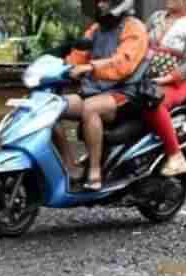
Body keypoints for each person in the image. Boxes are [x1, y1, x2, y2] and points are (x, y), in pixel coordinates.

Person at [54, 0, 148, 191]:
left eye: (105, 1)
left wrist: (91, 67)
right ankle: (70, 167)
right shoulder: (96, 29)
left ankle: (95, 173)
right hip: (95, 90)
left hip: (124, 92)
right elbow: (77, 56)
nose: (100, 4)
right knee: (52, 106)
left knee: (90, 109)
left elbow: (123, 64)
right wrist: (59, 67)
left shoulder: (134, 27)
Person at [142, 0, 186, 176]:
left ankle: (176, 156)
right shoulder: (156, 18)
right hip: (146, 79)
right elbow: (140, 44)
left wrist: (165, 80)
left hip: (178, 83)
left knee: (153, 100)